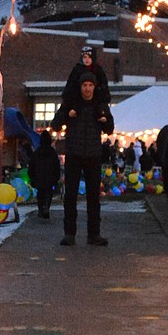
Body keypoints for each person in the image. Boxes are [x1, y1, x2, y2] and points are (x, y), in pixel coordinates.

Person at [54, 73, 113, 246]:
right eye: (84, 85)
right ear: (80, 87)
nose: (87, 88)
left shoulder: (100, 105)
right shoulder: (71, 103)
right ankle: (69, 233)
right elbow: (55, 124)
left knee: (93, 196)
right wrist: (67, 115)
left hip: (93, 155)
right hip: (74, 154)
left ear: (94, 87)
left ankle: (94, 234)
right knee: (70, 195)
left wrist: (105, 121)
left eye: (90, 85)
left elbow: (109, 128)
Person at [59, 43, 109, 110]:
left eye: (89, 57)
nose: (87, 60)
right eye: (84, 57)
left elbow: (104, 85)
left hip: (95, 102)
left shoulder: (98, 70)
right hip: (78, 102)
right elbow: (70, 85)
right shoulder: (77, 70)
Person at [28, 129, 61, 219]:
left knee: (40, 193)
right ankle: (46, 207)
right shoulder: (52, 152)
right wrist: (56, 177)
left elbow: (32, 165)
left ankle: (41, 209)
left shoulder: (37, 152)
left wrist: (32, 177)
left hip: (39, 176)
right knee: (48, 193)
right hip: (50, 176)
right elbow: (56, 166)